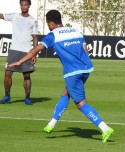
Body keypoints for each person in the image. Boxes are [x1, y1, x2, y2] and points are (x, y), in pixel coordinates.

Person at [8, 10, 114, 142]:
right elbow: (85, 51)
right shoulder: (76, 31)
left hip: (72, 73)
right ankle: (51, 124)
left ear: (51, 23)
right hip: (86, 69)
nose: (48, 26)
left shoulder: (52, 35)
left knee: (81, 104)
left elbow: (35, 50)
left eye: (47, 23)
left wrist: (19, 61)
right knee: (65, 94)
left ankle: (104, 128)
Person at [0, 0, 38, 105]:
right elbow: (2, 16)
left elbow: (35, 37)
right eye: (22, 5)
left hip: (26, 51)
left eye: (25, 5)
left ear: (29, 6)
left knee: (26, 75)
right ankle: (7, 96)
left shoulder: (33, 20)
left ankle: (27, 97)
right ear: (20, 5)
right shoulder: (14, 16)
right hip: (13, 50)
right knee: (8, 73)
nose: (23, 7)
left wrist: (34, 53)